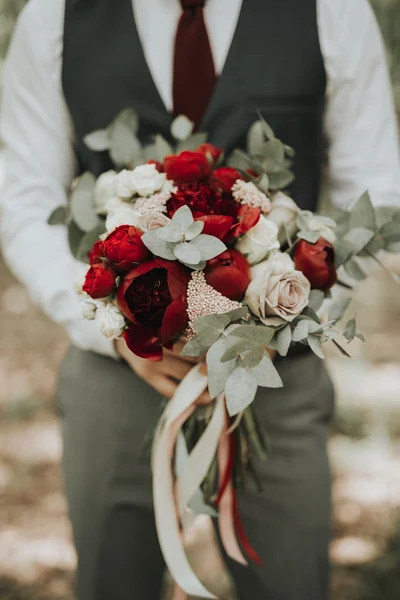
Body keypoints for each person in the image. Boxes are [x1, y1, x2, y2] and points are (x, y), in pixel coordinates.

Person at [1, 0, 399, 599]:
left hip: (278, 378)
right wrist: (109, 328)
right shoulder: (53, 16)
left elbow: (373, 192)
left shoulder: (333, 10)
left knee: (291, 582)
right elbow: (23, 200)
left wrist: (279, 311)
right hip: (116, 376)